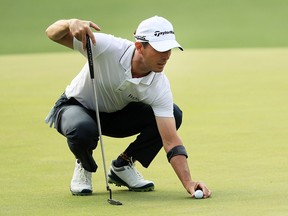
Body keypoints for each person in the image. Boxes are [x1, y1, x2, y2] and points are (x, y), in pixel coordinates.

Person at [45, 16, 212, 198]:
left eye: (169, 48)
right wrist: (69, 23)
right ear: (140, 46)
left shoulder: (159, 85)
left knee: (174, 114)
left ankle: (123, 165)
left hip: (114, 115)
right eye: (160, 49)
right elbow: (52, 34)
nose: (167, 55)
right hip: (75, 107)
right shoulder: (107, 47)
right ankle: (84, 164)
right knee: (83, 129)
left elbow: (171, 140)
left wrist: (188, 182)